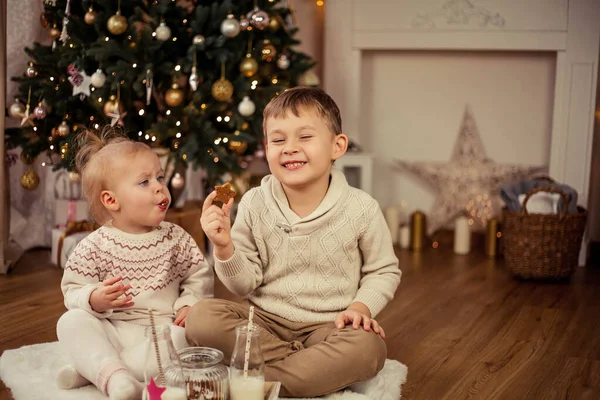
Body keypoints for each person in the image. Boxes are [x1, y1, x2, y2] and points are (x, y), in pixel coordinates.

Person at [186, 86, 401, 398]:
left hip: (329, 327)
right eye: (278, 140)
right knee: (200, 318)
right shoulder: (254, 202)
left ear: (337, 146)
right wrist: (224, 247)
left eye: (304, 137)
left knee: (369, 348)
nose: (289, 148)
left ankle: (263, 378)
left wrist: (360, 306)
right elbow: (244, 285)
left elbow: (384, 271)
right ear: (266, 148)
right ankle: (300, 371)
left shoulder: (361, 208)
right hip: (262, 323)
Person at [56, 128, 213, 400]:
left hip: (158, 334)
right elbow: (72, 291)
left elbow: (198, 276)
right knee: (71, 322)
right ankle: (115, 376)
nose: (159, 187)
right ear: (111, 200)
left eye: (160, 177)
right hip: (113, 330)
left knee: (180, 340)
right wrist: (94, 298)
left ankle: (99, 370)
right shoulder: (95, 245)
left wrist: (189, 302)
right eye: (144, 182)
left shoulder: (176, 239)